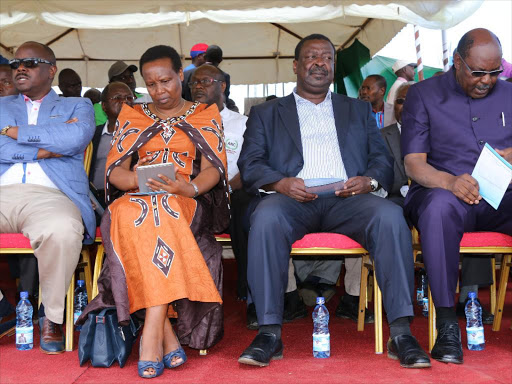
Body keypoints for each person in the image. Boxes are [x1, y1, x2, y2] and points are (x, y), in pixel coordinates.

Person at [237, 34, 430, 369]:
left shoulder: (356, 109)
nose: (319, 63)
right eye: (311, 57)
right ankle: (269, 332)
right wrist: (280, 183)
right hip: (291, 199)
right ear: (296, 66)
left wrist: (368, 181)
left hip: (347, 198)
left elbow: (381, 160)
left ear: (333, 66)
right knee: (265, 219)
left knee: (389, 217)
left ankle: (401, 332)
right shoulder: (267, 113)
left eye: (326, 57)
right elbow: (250, 164)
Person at [79, 45, 230, 379]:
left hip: (186, 199)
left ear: (181, 75)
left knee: (164, 211)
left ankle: (150, 334)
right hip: (137, 195)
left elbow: (213, 170)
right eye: (152, 84)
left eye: (166, 81)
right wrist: (138, 176)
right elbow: (114, 174)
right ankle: (165, 334)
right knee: (124, 213)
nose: (160, 91)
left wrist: (185, 187)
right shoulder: (133, 115)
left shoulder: (206, 113)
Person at [402, 28, 512, 364]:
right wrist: (450, 182)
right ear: (457, 62)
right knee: (437, 210)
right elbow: (413, 163)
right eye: (478, 72)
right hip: (444, 192)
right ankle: (448, 327)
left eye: (494, 73)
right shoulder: (422, 94)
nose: (486, 81)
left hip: (502, 196)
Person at [0, 41, 96, 354]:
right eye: (16, 64)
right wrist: (48, 149)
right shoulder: (1, 105)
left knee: (63, 229)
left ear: (51, 69)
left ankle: (51, 316)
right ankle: (2, 308)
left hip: (52, 196)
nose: (20, 69)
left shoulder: (76, 106)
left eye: (29, 62)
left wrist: (15, 133)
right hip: (3, 191)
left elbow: (75, 138)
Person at [383, 81, 495, 325]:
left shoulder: (440, 131)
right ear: (395, 106)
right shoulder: (384, 135)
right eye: (402, 100)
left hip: (439, 191)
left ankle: (469, 296)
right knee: (390, 218)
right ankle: (401, 299)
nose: (408, 104)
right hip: (396, 199)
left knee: (469, 206)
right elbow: (379, 172)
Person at [89, 82, 134, 201]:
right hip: (94, 200)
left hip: (127, 199)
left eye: (129, 98)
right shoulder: (92, 135)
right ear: (104, 106)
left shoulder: (141, 135)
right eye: (117, 98)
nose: (124, 101)